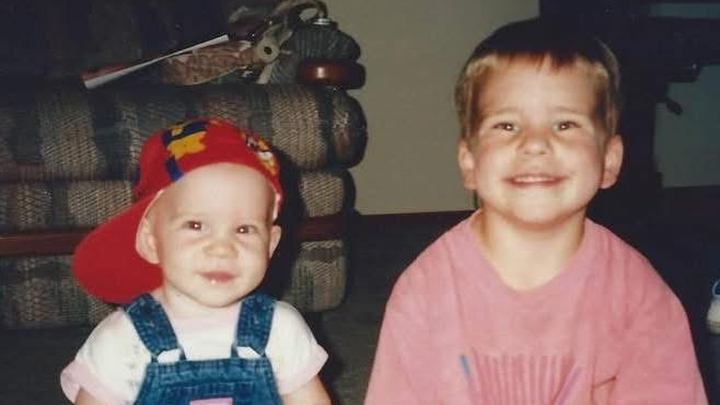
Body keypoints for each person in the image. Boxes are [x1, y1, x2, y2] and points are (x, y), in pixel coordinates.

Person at [364, 17, 708, 405]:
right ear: (469, 162)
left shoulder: (640, 297)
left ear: (609, 160)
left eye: (565, 124)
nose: (535, 143)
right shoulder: (424, 292)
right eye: (507, 125)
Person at [60, 118, 332, 405]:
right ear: (152, 240)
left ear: (270, 244)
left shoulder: (280, 328)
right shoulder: (122, 339)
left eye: (244, 229)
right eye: (196, 225)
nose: (222, 249)